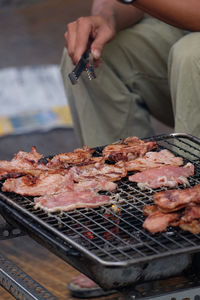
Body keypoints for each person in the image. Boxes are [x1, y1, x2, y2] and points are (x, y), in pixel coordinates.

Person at [61, 0, 200, 297]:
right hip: (178, 36)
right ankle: (124, 231)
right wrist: (105, 17)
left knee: (193, 54)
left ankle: (188, 226)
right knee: (95, 52)